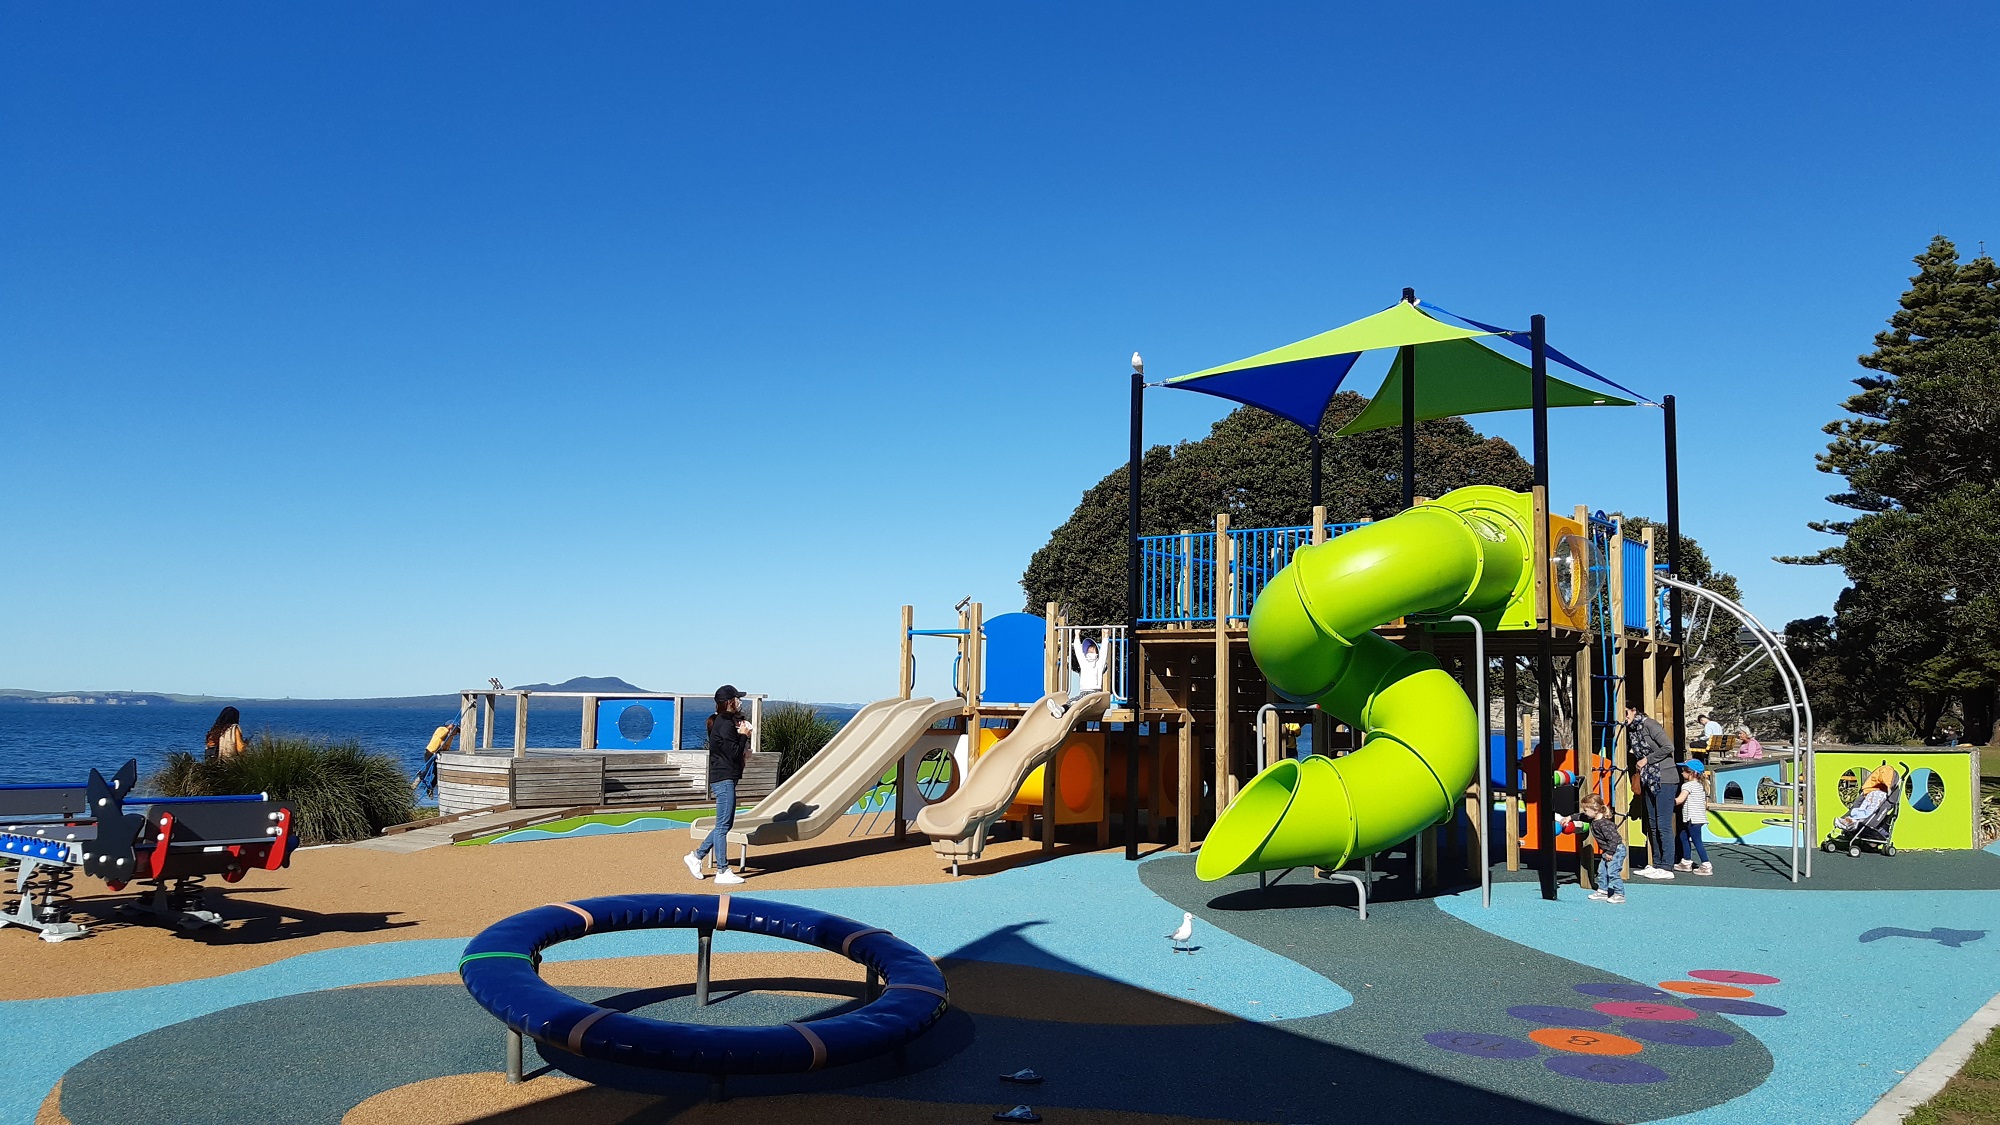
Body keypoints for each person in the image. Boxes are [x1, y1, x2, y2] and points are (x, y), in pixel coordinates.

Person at [685, 685, 753, 886]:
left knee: (725, 824)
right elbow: (732, 752)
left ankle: (696, 856)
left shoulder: (723, 721)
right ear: (730, 701)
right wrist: (744, 735)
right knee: (723, 825)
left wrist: (742, 746)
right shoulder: (723, 723)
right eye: (737, 699)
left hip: (725, 777)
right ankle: (722, 870)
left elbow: (730, 751)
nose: (740, 701)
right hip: (723, 779)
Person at [1624, 703, 1678, 880]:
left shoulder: (1649, 725)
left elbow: (1668, 747)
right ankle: (1656, 863)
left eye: (1626, 713)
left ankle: (1667, 865)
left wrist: (1647, 759)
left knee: (1663, 824)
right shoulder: (1631, 730)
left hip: (1664, 777)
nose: (1624, 717)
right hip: (1649, 779)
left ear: (1633, 710)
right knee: (1652, 824)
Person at [1581, 793, 1626, 904]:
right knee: (1602, 870)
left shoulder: (1604, 824)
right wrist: (1569, 818)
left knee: (1613, 871)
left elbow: (1614, 839)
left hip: (1616, 850)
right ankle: (1602, 891)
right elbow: (1580, 816)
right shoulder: (1593, 820)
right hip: (1609, 850)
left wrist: (1610, 852)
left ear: (1595, 810)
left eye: (1586, 810)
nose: (1584, 813)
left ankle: (1619, 894)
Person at [1049, 633, 1107, 718]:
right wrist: (1076, 635)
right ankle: (1060, 709)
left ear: (1097, 652)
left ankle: (1064, 708)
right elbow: (1078, 652)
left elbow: (1104, 652)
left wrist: (1105, 636)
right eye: (1089, 650)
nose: (1090, 652)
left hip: (1095, 692)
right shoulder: (1084, 662)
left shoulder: (1099, 664)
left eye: (1093, 650)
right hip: (1083, 691)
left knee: (1080, 702)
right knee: (1073, 700)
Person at [1674, 760, 1712, 876]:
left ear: (1692, 773)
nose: (1682, 773)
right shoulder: (1701, 786)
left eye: (1684, 770)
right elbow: (1705, 804)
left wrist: (1667, 800)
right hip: (1699, 818)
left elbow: (1680, 800)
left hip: (1692, 818)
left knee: (1697, 841)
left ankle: (1706, 864)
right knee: (1683, 836)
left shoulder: (1688, 786)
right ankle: (1686, 861)